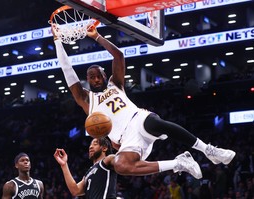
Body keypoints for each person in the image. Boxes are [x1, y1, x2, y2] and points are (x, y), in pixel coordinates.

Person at [51, 24, 236, 180]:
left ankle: (209, 150)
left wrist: (97, 36)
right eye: (91, 77)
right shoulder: (86, 99)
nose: (96, 79)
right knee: (121, 165)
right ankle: (179, 162)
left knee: (155, 122)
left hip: (137, 118)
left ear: (105, 75)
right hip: (126, 139)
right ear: (87, 81)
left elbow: (119, 56)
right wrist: (58, 41)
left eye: (99, 75)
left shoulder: (115, 84)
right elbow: (68, 72)